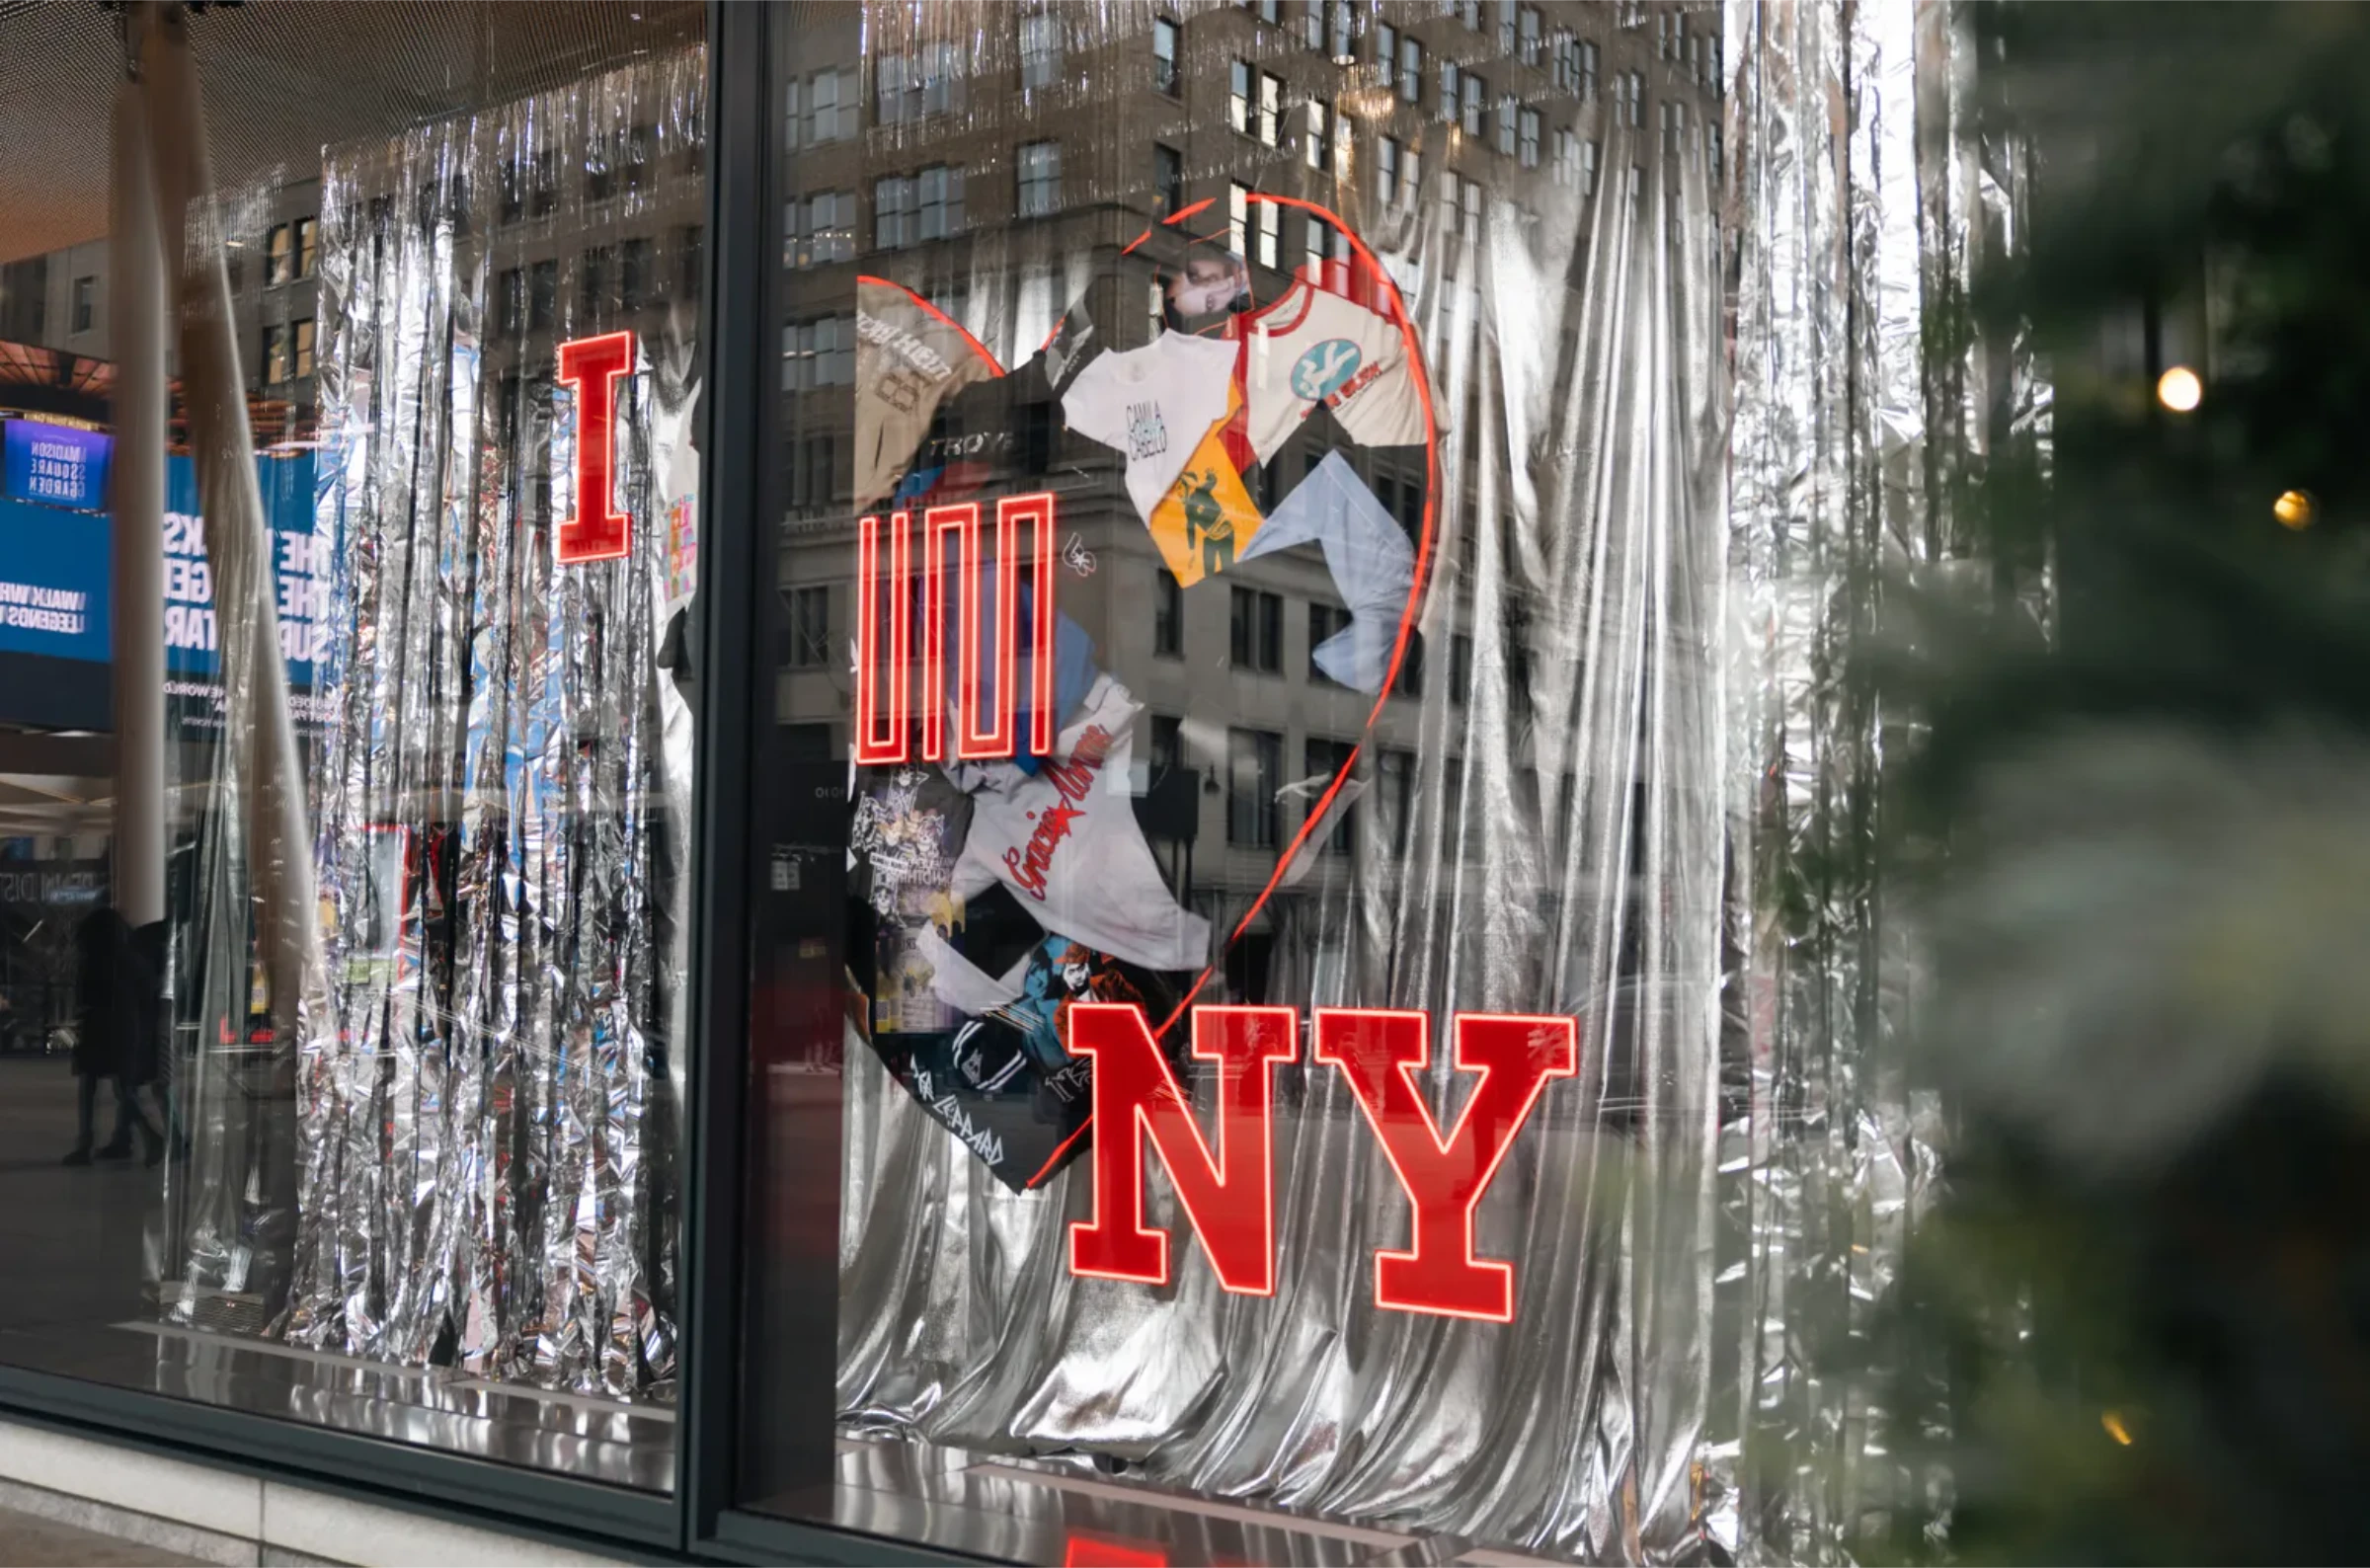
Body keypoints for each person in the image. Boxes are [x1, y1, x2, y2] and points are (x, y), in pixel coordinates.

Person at [60, 904, 163, 1167]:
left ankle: (85, 1143)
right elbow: (149, 994)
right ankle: (145, 1134)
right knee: (124, 1089)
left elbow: (84, 997)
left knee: (89, 1087)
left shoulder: (93, 960)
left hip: (97, 1029)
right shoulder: (135, 959)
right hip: (129, 1029)